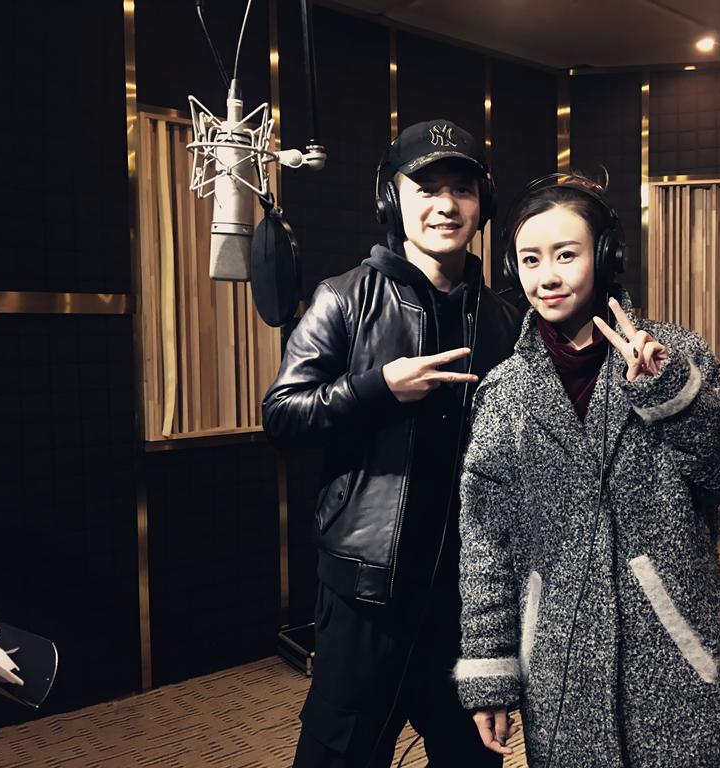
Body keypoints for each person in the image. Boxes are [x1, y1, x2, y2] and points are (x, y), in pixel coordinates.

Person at [454, 173, 720, 767]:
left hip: (675, 653)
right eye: (530, 259)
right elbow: (485, 544)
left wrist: (671, 395)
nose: (546, 276)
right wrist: (491, 671)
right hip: (560, 665)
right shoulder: (504, 393)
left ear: (604, 257)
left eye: (565, 254)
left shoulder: (676, 355)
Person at [262, 119, 521, 768]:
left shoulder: (502, 320)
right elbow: (282, 416)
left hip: (464, 602)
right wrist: (376, 388)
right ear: (390, 199)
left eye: (462, 189)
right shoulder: (343, 299)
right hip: (366, 597)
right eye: (426, 188)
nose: (445, 205)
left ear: (483, 204)